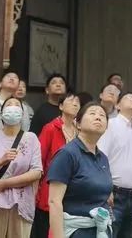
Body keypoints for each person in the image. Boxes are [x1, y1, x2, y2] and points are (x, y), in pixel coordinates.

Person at [0, 96, 43, 237]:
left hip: (21, 206)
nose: (13, 107)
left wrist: (4, 184)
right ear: (1, 113)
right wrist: (0, 162)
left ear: (22, 114)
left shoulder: (31, 138)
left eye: (17, 105)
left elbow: (36, 172)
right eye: (9, 104)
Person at [48, 102, 113, 238]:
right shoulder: (67, 154)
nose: (98, 117)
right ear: (78, 124)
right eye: (92, 113)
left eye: (102, 115)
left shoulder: (103, 158)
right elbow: (54, 202)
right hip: (76, 231)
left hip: (100, 230)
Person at [98, 92, 132, 238]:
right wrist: (106, 190)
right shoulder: (110, 125)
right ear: (118, 105)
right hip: (114, 194)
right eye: (129, 98)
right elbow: (101, 159)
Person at [33, 92, 81, 238]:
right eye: (71, 101)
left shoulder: (80, 131)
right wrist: (35, 190)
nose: (75, 104)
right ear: (60, 106)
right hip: (50, 188)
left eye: (77, 102)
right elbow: (38, 160)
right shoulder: (50, 128)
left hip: (73, 191)